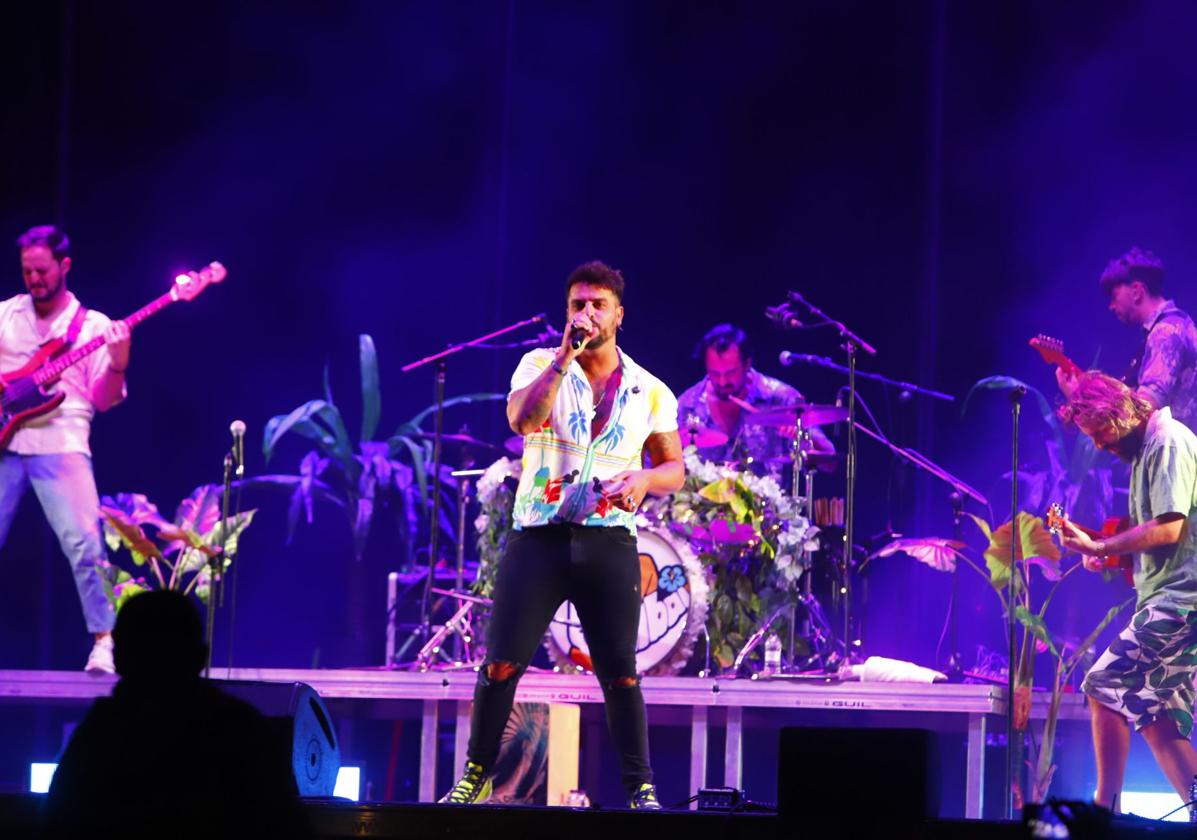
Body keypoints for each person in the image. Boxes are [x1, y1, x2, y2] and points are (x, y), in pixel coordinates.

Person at [439, 260, 684, 810]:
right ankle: (475, 775)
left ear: (619, 314)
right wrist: (561, 360)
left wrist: (646, 477)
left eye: (598, 305)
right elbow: (522, 422)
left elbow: (675, 469)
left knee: (620, 673)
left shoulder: (650, 389)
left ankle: (640, 788)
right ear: (567, 312)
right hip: (540, 538)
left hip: (609, 541)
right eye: (578, 305)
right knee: (501, 662)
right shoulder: (537, 365)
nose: (588, 314)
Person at [44, 590, 309, 838]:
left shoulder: (99, 736)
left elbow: (56, 823)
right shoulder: (242, 730)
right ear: (201, 657)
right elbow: (287, 823)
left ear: (120, 658)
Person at [1057, 371, 1197, 812]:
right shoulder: (1145, 452)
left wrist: (1100, 544)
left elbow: (1171, 528)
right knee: (1155, 714)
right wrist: (1110, 556)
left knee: (1103, 684)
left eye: (1100, 432)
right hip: (1169, 596)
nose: (1098, 444)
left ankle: (1105, 810)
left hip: (1184, 600)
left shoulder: (1167, 442)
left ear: (1122, 411)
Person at [0, 225, 131, 673]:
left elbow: (105, 399)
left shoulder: (93, 328)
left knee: (85, 544)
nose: (34, 279)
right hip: (5, 444)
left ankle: (104, 642)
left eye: (41, 270)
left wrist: (117, 361)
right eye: (26, 271)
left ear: (64, 266)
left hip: (61, 441)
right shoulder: (7, 315)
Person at [1059, 247, 1197, 431]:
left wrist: (1081, 397)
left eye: (1114, 296)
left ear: (1137, 291)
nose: (1110, 306)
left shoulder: (1165, 332)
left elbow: (1141, 413)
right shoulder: (1177, 324)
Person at [676, 323, 833, 470]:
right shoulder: (688, 404)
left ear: (747, 364)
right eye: (714, 373)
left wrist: (802, 438)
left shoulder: (781, 398)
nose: (722, 382)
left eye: (730, 373)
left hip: (770, 497)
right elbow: (656, 462)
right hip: (704, 498)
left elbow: (830, 462)